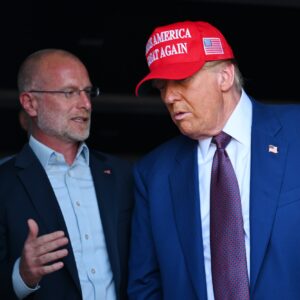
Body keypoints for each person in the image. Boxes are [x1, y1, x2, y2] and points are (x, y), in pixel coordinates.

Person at [127, 20, 300, 300]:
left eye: (181, 80)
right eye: (161, 87)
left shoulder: (296, 133)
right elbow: (145, 285)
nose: (169, 97)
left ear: (225, 77)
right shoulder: (153, 173)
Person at [0, 49, 134, 300]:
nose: (86, 104)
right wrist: (22, 275)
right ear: (30, 103)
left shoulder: (121, 175)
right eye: (69, 92)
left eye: (88, 92)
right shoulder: (4, 184)